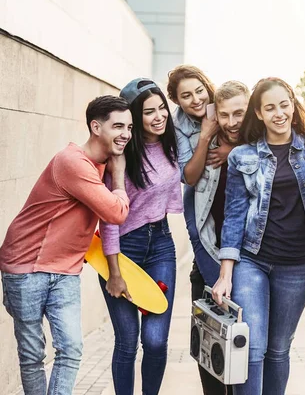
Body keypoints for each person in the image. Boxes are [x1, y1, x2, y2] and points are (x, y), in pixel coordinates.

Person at [0, 95, 132, 395]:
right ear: (96, 127)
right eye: (118, 126)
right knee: (33, 355)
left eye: (129, 127)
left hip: (66, 271)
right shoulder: (73, 162)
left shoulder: (96, 166)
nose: (126, 134)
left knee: (71, 349)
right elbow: (116, 212)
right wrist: (120, 176)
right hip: (25, 267)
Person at [211, 77, 305, 395]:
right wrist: (226, 275)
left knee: (278, 350)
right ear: (259, 113)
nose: (279, 113)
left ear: (293, 105)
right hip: (254, 262)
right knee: (252, 349)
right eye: (269, 107)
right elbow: (234, 216)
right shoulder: (242, 156)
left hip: (298, 267)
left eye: (284, 104)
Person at [99, 78, 182, 395]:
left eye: (162, 108)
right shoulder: (119, 159)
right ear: (134, 116)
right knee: (128, 339)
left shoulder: (168, 143)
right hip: (123, 250)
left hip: (161, 244)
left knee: (156, 340)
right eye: (149, 112)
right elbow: (108, 217)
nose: (160, 116)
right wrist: (114, 272)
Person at [167, 65, 235, 394]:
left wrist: (231, 150)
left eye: (198, 91)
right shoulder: (178, 126)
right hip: (208, 237)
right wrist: (206, 135)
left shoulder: (227, 107)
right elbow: (190, 176)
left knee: (241, 335)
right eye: (185, 96)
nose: (195, 99)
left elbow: (267, 145)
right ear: (176, 101)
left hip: (242, 240)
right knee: (209, 330)